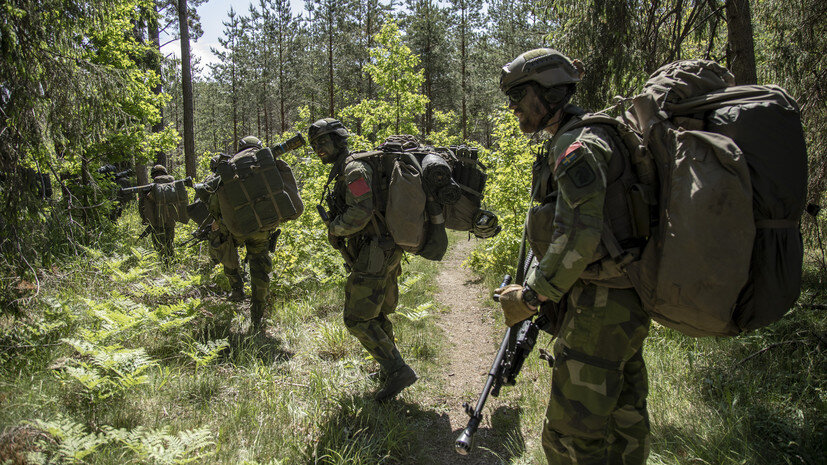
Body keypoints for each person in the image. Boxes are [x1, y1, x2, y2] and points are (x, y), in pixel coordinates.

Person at [496, 49, 651, 464]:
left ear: (548, 93)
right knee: (624, 421)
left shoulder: (576, 147)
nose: (513, 107)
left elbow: (579, 236)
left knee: (568, 438)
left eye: (518, 95)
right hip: (625, 300)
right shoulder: (591, 135)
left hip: (600, 307)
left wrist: (531, 297)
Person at [308, 118, 418, 402]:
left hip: (375, 249)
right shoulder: (344, 169)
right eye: (315, 144)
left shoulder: (353, 169)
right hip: (377, 247)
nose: (318, 148)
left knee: (356, 318)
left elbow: (361, 211)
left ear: (338, 139)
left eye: (323, 141)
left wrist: (335, 228)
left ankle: (398, 370)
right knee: (375, 313)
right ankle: (389, 368)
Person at [207, 136, 274, 332]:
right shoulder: (266, 164)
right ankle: (257, 314)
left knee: (228, 253)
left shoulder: (230, 166)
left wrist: (219, 220)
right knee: (259, 268)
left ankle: (237, 290)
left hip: (235, 226)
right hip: (261, 227)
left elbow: (215, 200)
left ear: (240, 148)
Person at [140, 164, 176, 262]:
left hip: (156, 222)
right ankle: (171, 261)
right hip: (171, 221)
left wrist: (146, 220)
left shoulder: (150, 188)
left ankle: (164, 264)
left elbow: (144, 206)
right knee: (170, 243)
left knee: (159, 246)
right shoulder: (172, 186)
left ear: (153, 175)